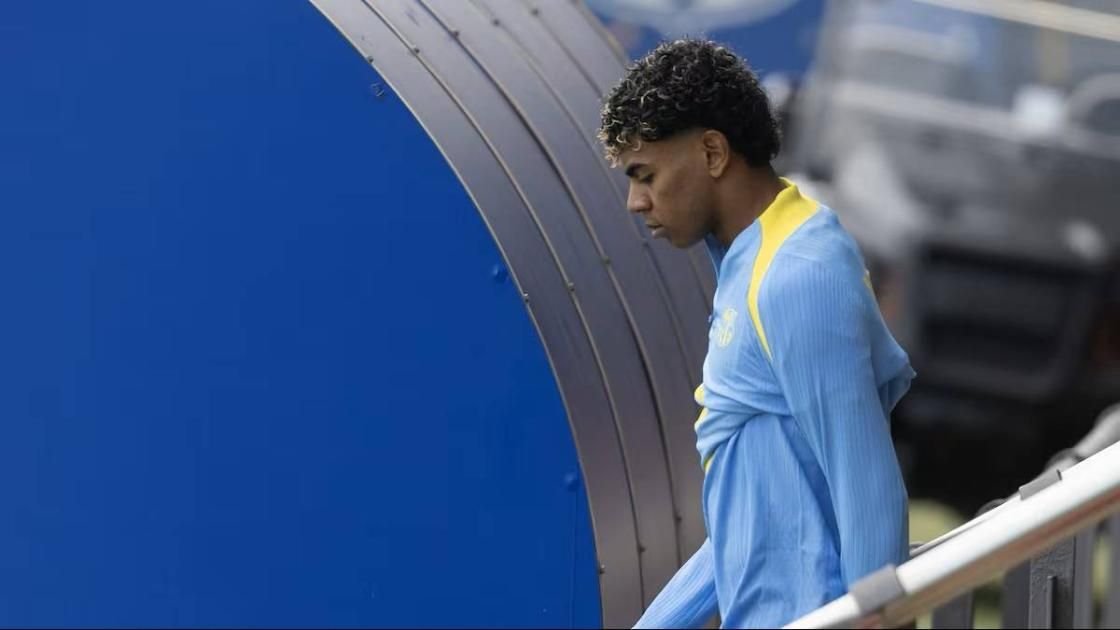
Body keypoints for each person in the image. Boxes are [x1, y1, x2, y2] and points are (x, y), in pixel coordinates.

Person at [598, 39, 915, 628]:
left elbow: (865, 481)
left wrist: (879, 618)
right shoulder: (750, 264)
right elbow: (742, 531)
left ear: (712, 152)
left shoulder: (799, 272)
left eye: (646, 175)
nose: (635, 202)